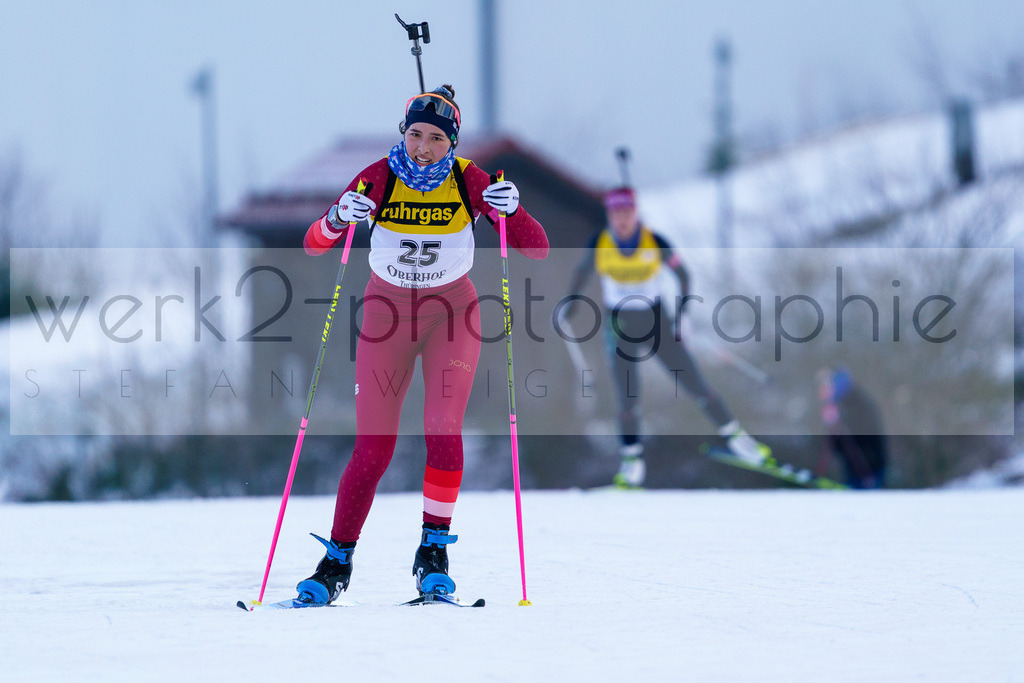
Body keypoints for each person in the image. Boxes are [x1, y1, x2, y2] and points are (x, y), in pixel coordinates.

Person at [296, 85, 549, 604]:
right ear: (402, 133)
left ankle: (433, 551)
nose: (423, 147)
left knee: (442, 429)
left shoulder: (469, 179)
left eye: (436, 137)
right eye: (415, 134)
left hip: (452, 317)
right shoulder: (377, 176)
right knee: (374, 445)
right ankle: (335, 562)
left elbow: (538, 250)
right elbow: (314, 243)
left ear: (451, 142)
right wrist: (338, 218)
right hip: (387, 319)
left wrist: (514, 209)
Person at [559, 186, 771, 488]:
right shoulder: (600, 244)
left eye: (626, 213)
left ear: (635, 212)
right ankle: (632, 462)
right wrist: (570, 304)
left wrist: (683, 315)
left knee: (694, 383)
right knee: (628, 395)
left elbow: (683, 276)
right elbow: (581, 275)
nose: (621, 220)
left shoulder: (655, 242)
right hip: (620, 324)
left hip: (657, 321)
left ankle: (737, 438)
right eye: (615, 214)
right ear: (609, 216)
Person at [816, 368, 888, 489]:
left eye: (830, 385)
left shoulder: (856, 401)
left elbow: (862, 431)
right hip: (855, 466)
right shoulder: (841, 403)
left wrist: (839, 419)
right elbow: (839, 442)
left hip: (869, 466)